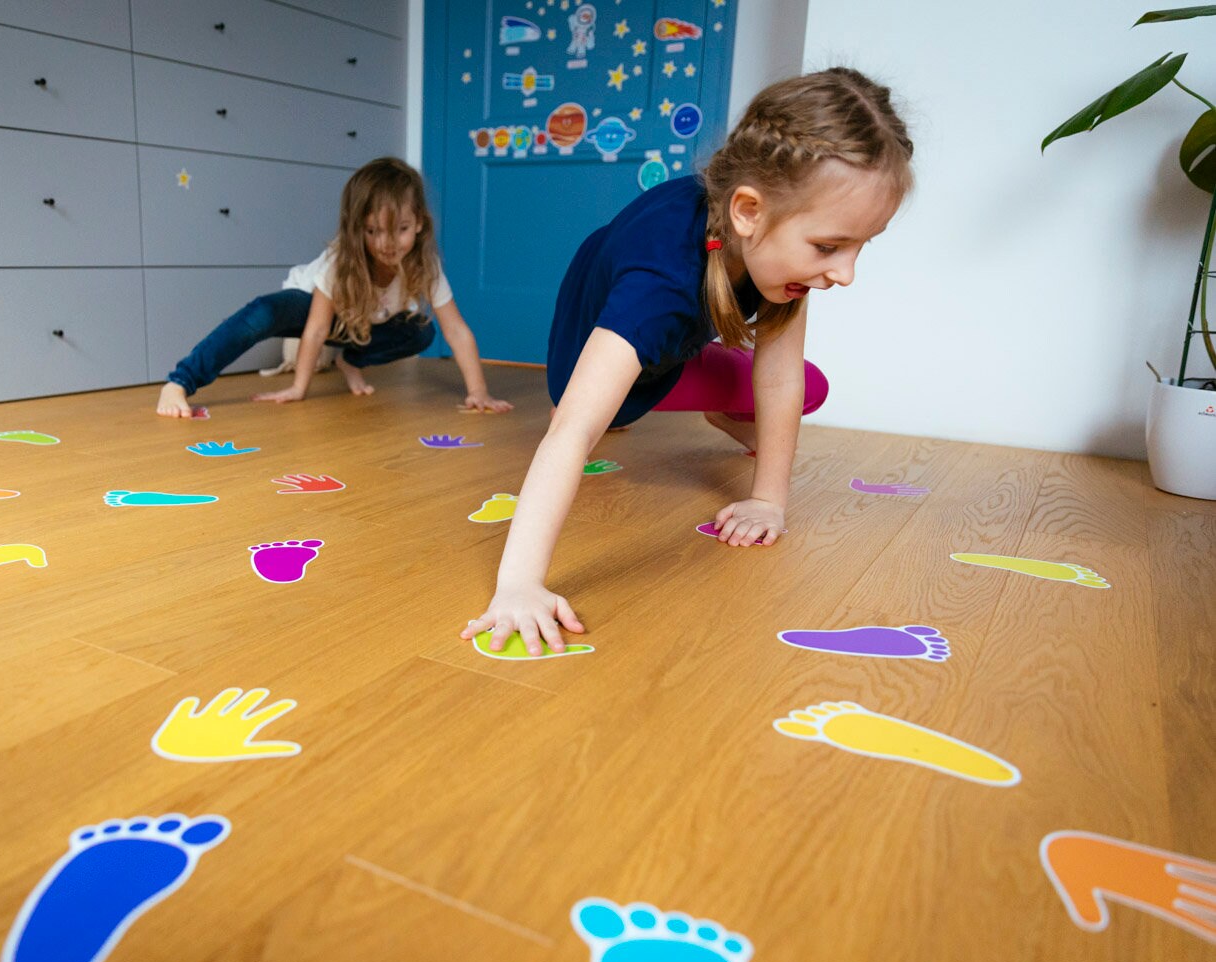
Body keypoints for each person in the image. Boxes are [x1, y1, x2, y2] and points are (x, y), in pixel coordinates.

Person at [462, 68, 914, 655]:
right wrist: (519, 584)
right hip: (592, 342)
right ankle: (642, 393)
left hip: (678, 334)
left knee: (808, 385)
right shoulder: (658, 293)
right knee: (604, 412)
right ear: (748, 211)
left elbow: (779, 377)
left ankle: (711, 406)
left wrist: (768, 499)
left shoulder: (766, 248)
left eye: (861, 246)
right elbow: (568, 433)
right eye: (829, 247)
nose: (846, 273)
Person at [156, 157, 512, 416]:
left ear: (419, 223)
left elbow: (456, 329)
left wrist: (478, 391)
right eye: (373, 232)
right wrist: (299, 388)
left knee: (422, 332)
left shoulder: (424, 265)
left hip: (358, 325)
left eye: (400, 229)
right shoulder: (343, 260)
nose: (387, 244)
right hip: (310, 308)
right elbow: (316, 329)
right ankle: (180, 381)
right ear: (359, 229)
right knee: (262, 312)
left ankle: (350, 360)